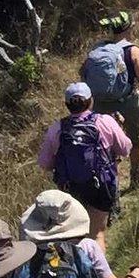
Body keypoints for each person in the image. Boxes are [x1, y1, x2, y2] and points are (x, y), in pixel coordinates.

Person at [38, 80, 130, 246]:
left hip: (70, 187)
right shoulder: (104, 121)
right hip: (100, 186)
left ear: (67, 105)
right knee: (96, 235)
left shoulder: (57, 129)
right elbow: (125, 149)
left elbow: (44, 164)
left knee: (75, 237)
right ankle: (98, 270)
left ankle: (79, 269)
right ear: (90, 101)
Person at [77, 13, 139, 187]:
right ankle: (135, 175)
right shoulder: (132, 50)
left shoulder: (98, 49)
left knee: (105, 145)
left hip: (101, 104)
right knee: (135, 140)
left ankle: (111, 186)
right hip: (128, 102)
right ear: (128, 28)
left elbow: (83, 74)